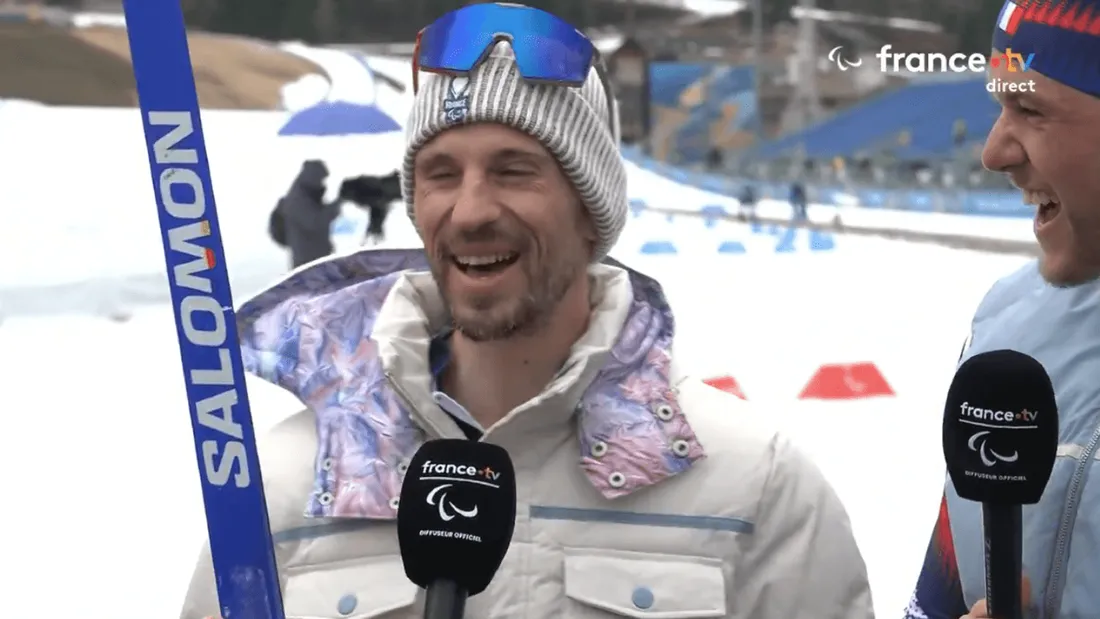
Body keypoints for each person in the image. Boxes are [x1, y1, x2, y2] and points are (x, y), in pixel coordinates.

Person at [181, 5, 873, 618]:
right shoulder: (285, 485)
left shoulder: (752, 485)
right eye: (441, 174)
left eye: (515, 170)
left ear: (590, 212)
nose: (473, 210)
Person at [903, 3, 1100, 617]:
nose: (994, 153)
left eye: (1031, 108)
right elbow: (942, 594)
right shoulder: (1009, 326)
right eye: (1001, 106)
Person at [279, 159, 343, 268]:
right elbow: (315, 222)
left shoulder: (309, 196)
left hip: (315, 258)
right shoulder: (298, 199)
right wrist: (337, 204)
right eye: (320, 179)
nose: (322, 183)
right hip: (306, 261)